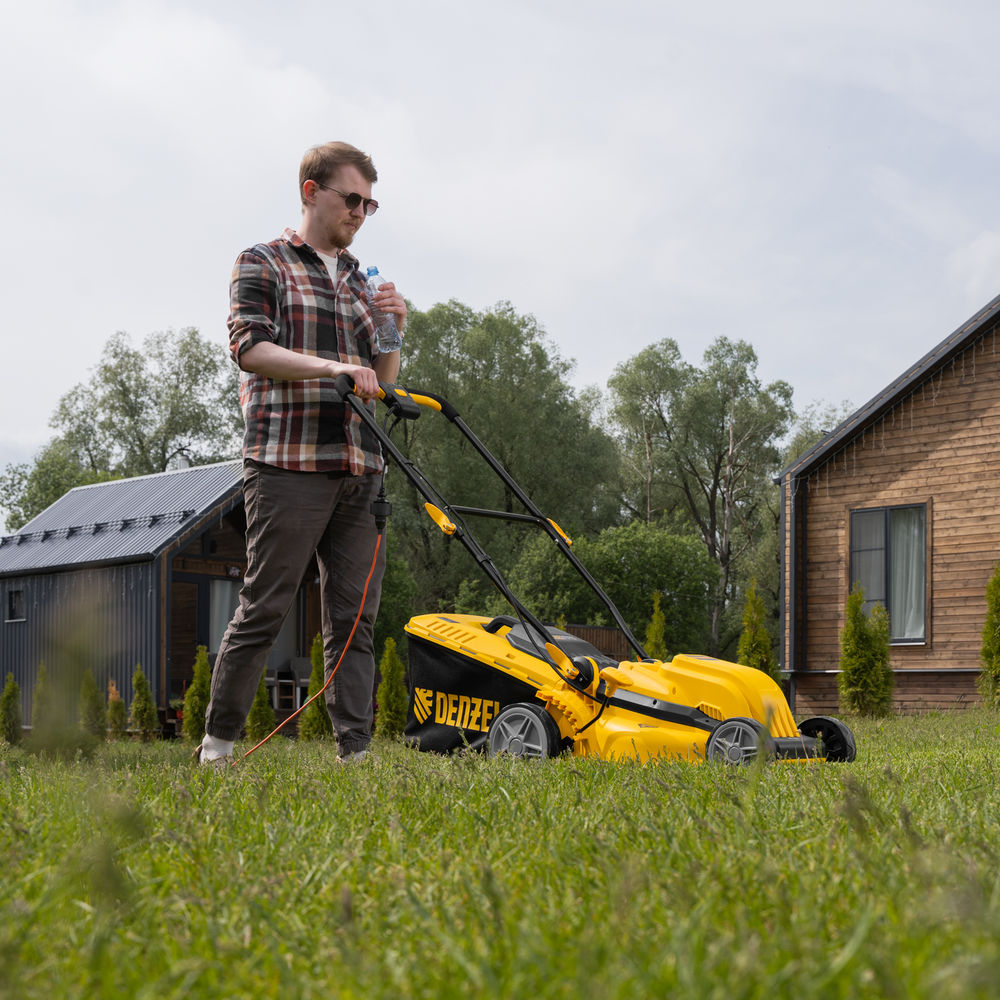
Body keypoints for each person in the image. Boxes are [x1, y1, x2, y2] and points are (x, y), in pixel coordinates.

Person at [198, 141, 406, 765]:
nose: (361, 213)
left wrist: (393, 327)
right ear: (312, 192)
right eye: (352, 199)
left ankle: (355, 756)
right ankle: (218, 748)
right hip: (287, 461)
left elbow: (384, 380)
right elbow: (252, 350)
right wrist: (332, 367)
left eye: (371, 204)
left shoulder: (360, 278)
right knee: (265, 605)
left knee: (354, 623)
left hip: (359, 467)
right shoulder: (263, 261)